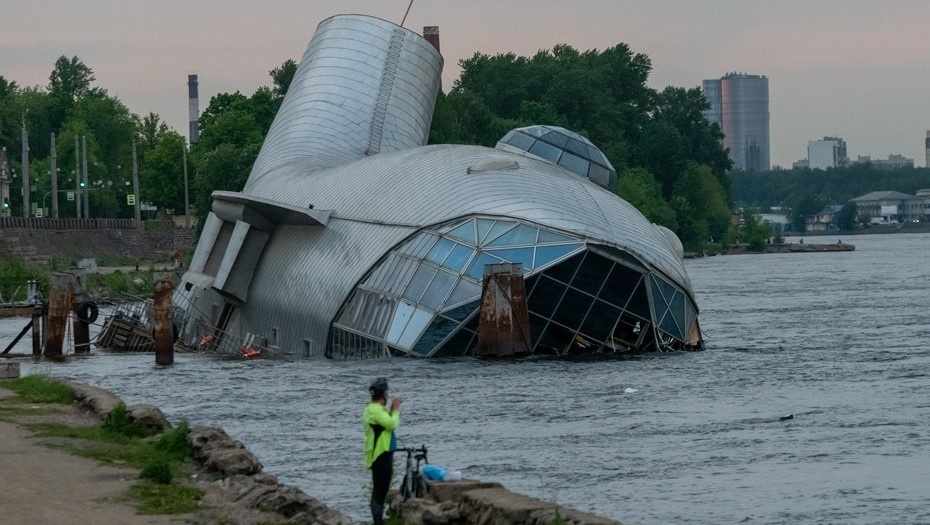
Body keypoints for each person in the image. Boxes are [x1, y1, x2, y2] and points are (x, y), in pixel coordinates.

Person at [363, 377, 401, 525]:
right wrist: (396, 409)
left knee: (380, 493)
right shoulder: (375, 410)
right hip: (380, 456)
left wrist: (391, 411)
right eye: (387, 393)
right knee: (379, 495)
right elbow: (392, 424)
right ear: (384, 395)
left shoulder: (375, 409)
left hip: (382, 455)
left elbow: (386, 425)